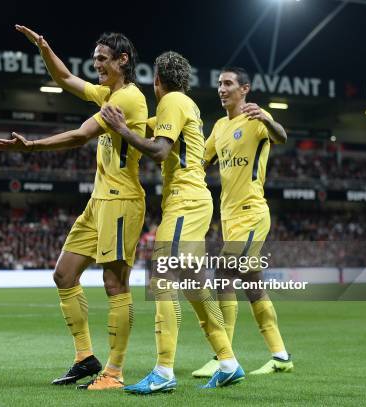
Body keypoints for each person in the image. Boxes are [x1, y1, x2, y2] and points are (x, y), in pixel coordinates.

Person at [0, 25, 148, 390]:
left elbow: (80, 136)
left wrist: (31, 147)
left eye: (103, 59)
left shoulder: (128, 98)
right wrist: (45, 47)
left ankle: (114, 372)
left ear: (123, 60)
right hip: (99, 202)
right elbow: (63, 78)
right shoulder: (108, 93)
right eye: (94, 60)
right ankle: (84, 357)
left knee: (114, 283)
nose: (96, 65)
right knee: (64, 274)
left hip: (122, 200)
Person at [100, 51, 244, 393]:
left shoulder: (172, 102)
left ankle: (164, 371)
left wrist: (121, 127)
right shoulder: (185, 103)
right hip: (194, 200)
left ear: (157, 81)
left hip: (186, 201)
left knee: (163, 275)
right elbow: (147, 131)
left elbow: (160, 150)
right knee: (195, 286)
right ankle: (228, 361)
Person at [193, 66, 293, 377]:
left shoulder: (255, 117)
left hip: (252, 212)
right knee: (252, 285)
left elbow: (282, 136)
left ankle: (223, 356)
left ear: (244, 89)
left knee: (223, 272)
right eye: (219, 83)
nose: (221, 89)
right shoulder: (220, 127)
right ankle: (280, 356)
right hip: (230, 218)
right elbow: (201, 161)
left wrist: (268, 120)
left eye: (228, 83)